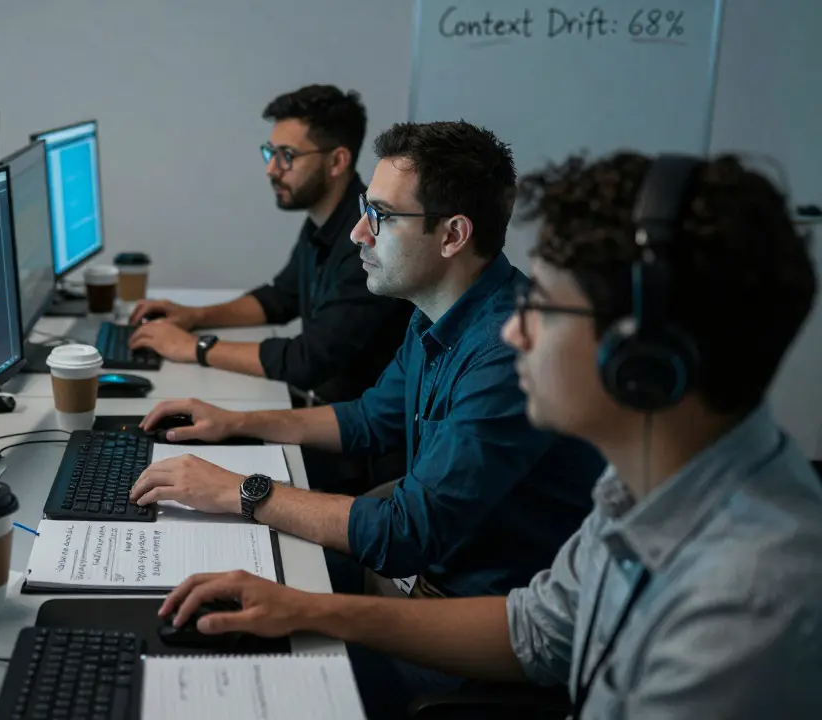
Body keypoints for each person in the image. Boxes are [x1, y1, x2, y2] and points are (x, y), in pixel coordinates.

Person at [155, 152, 822, 718]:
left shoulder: (746, 606)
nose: (515, 331)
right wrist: (305, 609)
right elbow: (536, 628)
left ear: (644, 365)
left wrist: (251, 500)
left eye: (547, 309)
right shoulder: (645, 483)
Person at [132, 121, 603, 601]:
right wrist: (235, 422)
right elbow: (368, 419)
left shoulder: (506, 355)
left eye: (380, 214)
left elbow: (405, 534)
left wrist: (241, 491)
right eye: (364, 209)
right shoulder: (435, 313)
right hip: (425, 572)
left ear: (452, 235)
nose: (359, 232)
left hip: (471, 610)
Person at [127, 85, 414, 406]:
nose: (271, 169)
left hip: (356, 435)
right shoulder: (324, 219)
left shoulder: (366, 242)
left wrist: (193, 347)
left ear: (337, 161)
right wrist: (196, 315)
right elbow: (281, 297)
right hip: (325, 412)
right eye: (270, 152)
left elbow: (306, 361)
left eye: (287, 156)